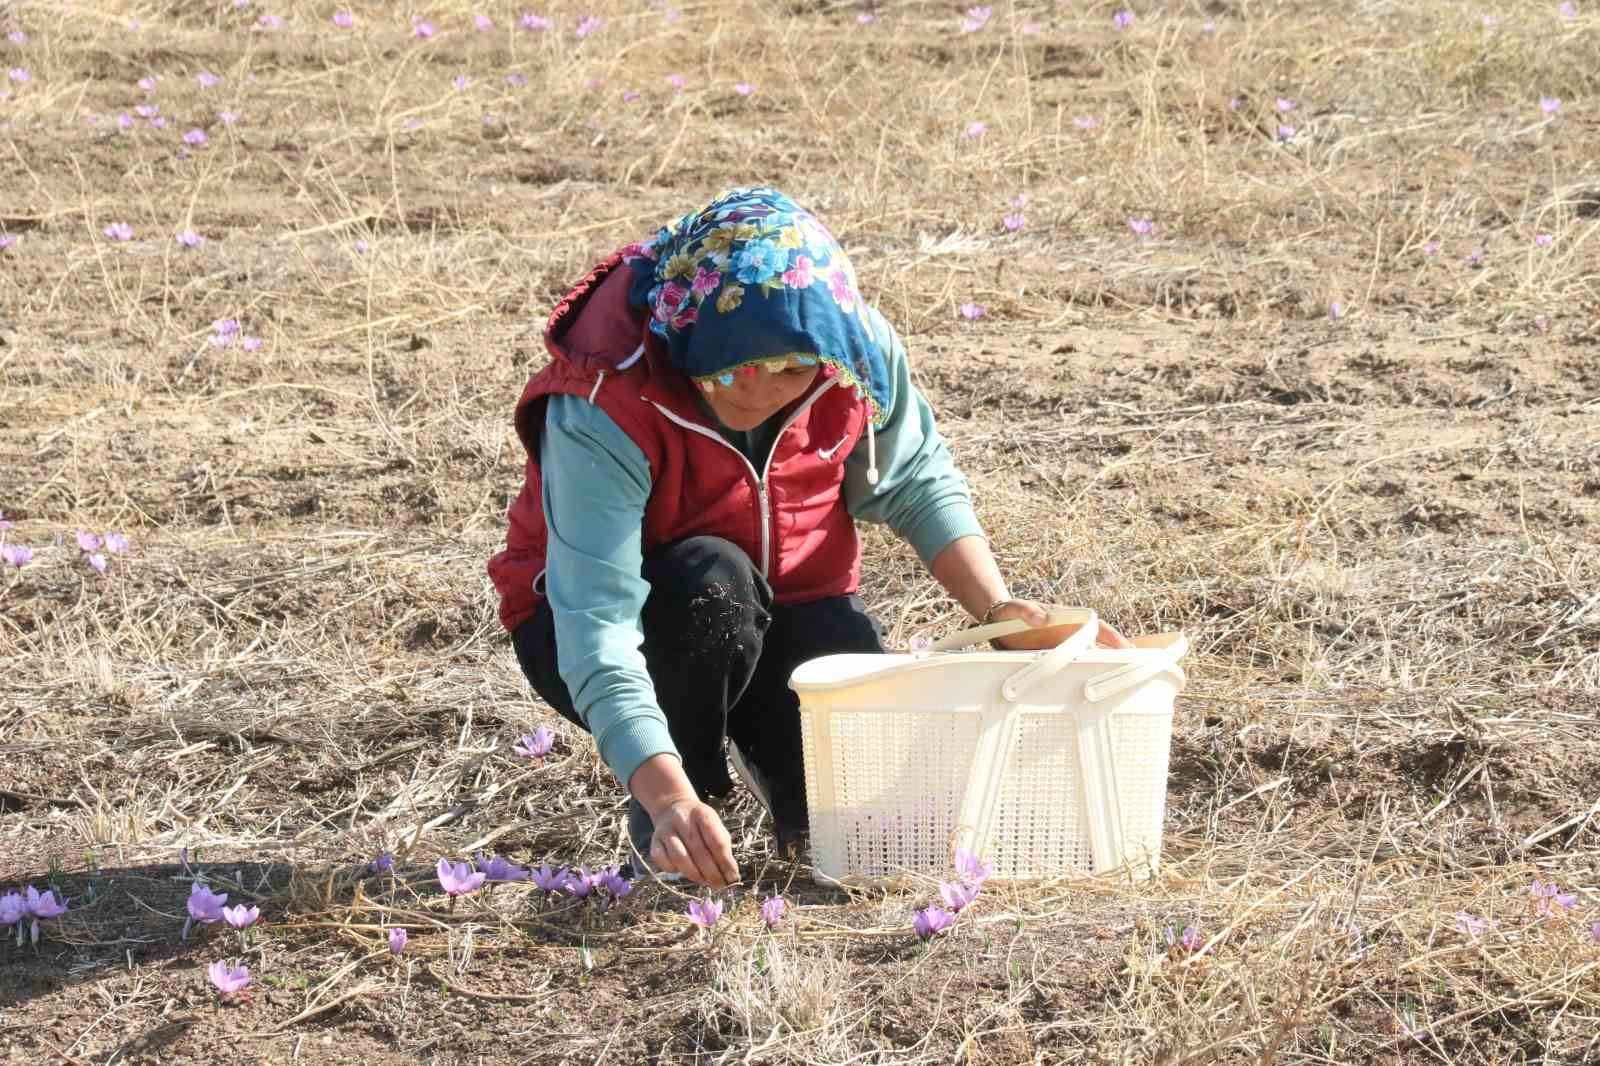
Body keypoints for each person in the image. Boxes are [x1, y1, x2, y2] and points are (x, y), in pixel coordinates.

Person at [488, 187, 1128, 889]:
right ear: (688, 336)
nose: (764, 392)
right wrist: (666, 794)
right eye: (734, 369)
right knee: (711, 582)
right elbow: (598, 622)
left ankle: (775, 787)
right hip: (617, 624)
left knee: (858, 821)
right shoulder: (605, 399)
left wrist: (1000, 610)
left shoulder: (845, 350)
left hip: (792, 606)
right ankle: (687, 806)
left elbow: (913, 479)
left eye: (792, 372)